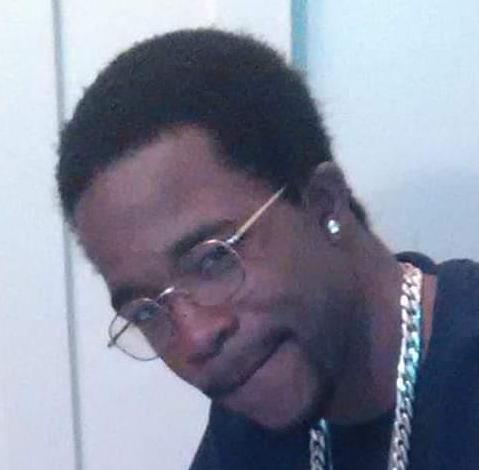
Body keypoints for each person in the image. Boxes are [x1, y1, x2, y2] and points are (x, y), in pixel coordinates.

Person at [56, 29, 479, 470]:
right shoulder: (248, 420)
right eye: (146, 311)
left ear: (323, 203)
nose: (194, 340)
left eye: (213, 259)